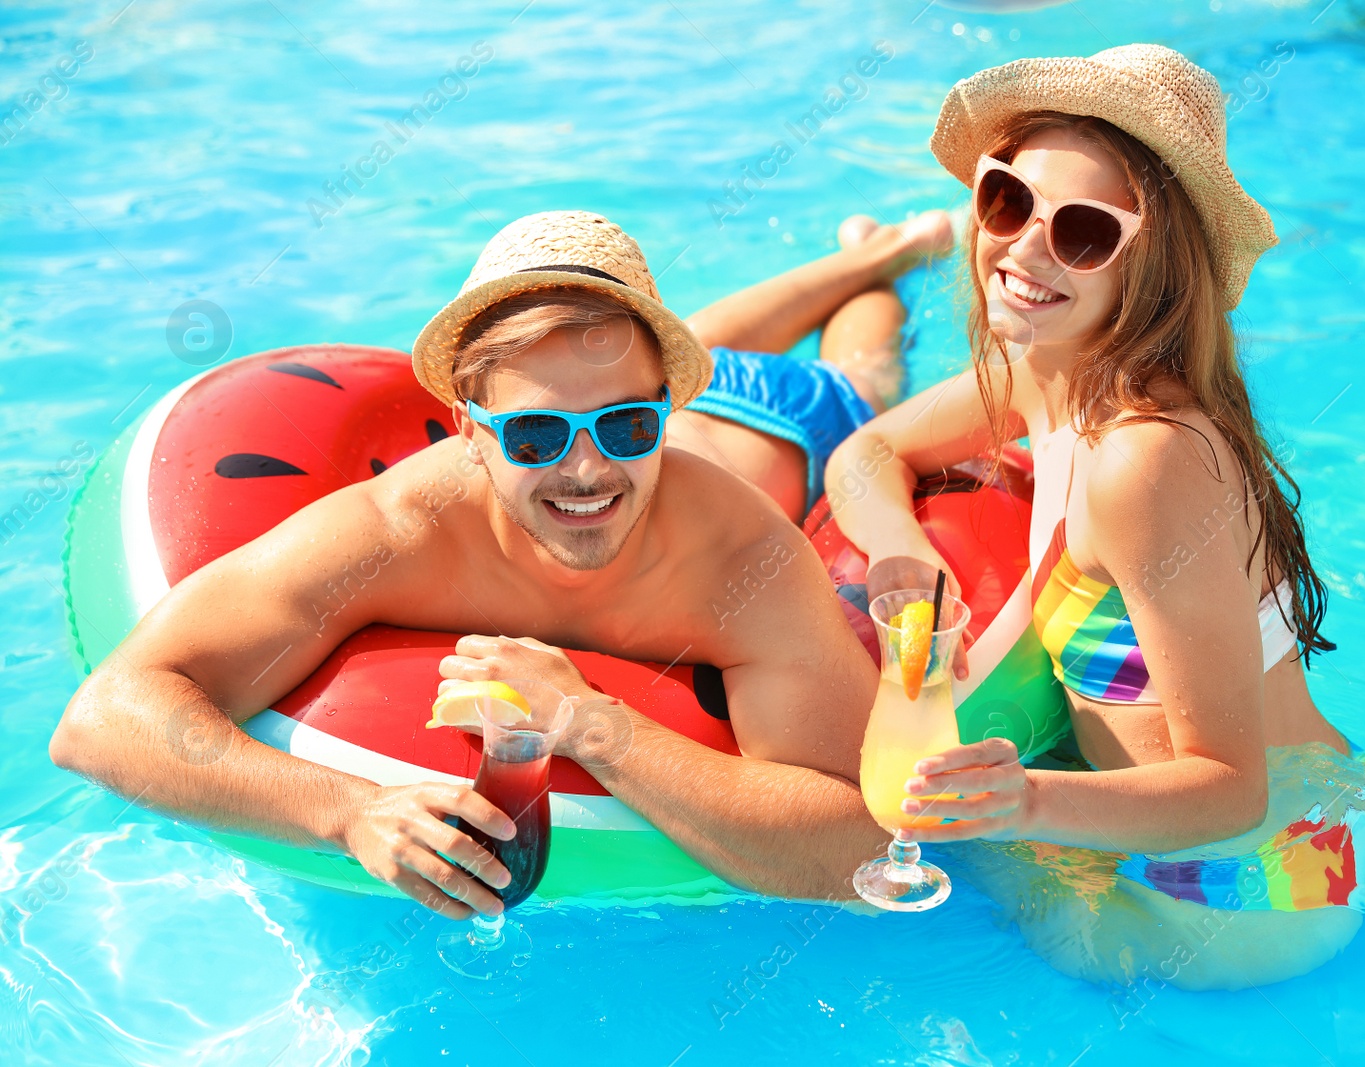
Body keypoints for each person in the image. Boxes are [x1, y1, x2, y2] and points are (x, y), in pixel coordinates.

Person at [51, 207, 952, 919]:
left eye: (629, 426)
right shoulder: (400, 528)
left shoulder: (744, 556)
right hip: (672, 379)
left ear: (663, 410)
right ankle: (861, 254)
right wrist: (351, 810)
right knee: (691, 337)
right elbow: (103, 721)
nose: (586, 467)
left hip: (786, 420)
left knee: (862, 375)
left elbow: (859, 853)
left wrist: (596, 727)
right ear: (466, 432)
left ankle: (884, 260)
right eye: (534, 433)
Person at [824, 46, 1365, 989]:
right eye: (1008, 201)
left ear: (1152, 269)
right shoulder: (1052, 371)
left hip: (1241, 898)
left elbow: (1230, 788)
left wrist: (1018, 803)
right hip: (1355, 800)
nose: (1024, 249)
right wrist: (904, 549)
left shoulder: (1143, 457)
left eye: (1083, 234)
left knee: (896, 869)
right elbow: (862, 454)